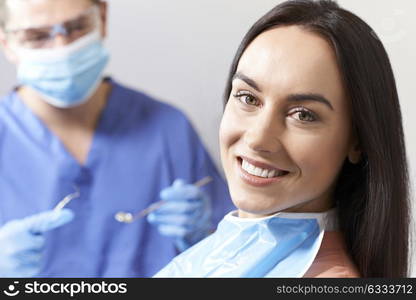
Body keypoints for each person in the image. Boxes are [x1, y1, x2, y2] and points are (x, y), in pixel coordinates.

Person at [155, 0, 410, 278]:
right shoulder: (225, 251)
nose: (258, 139)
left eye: (303, 115)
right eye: (248, 97)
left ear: (357, 142)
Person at [0, 0, 233, 277]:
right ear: (6, 44)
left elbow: (236, 260)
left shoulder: (168, 129)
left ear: (102, 18)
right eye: (37, 36)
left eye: (76, 27)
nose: (61, 48)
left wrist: (206, 237)